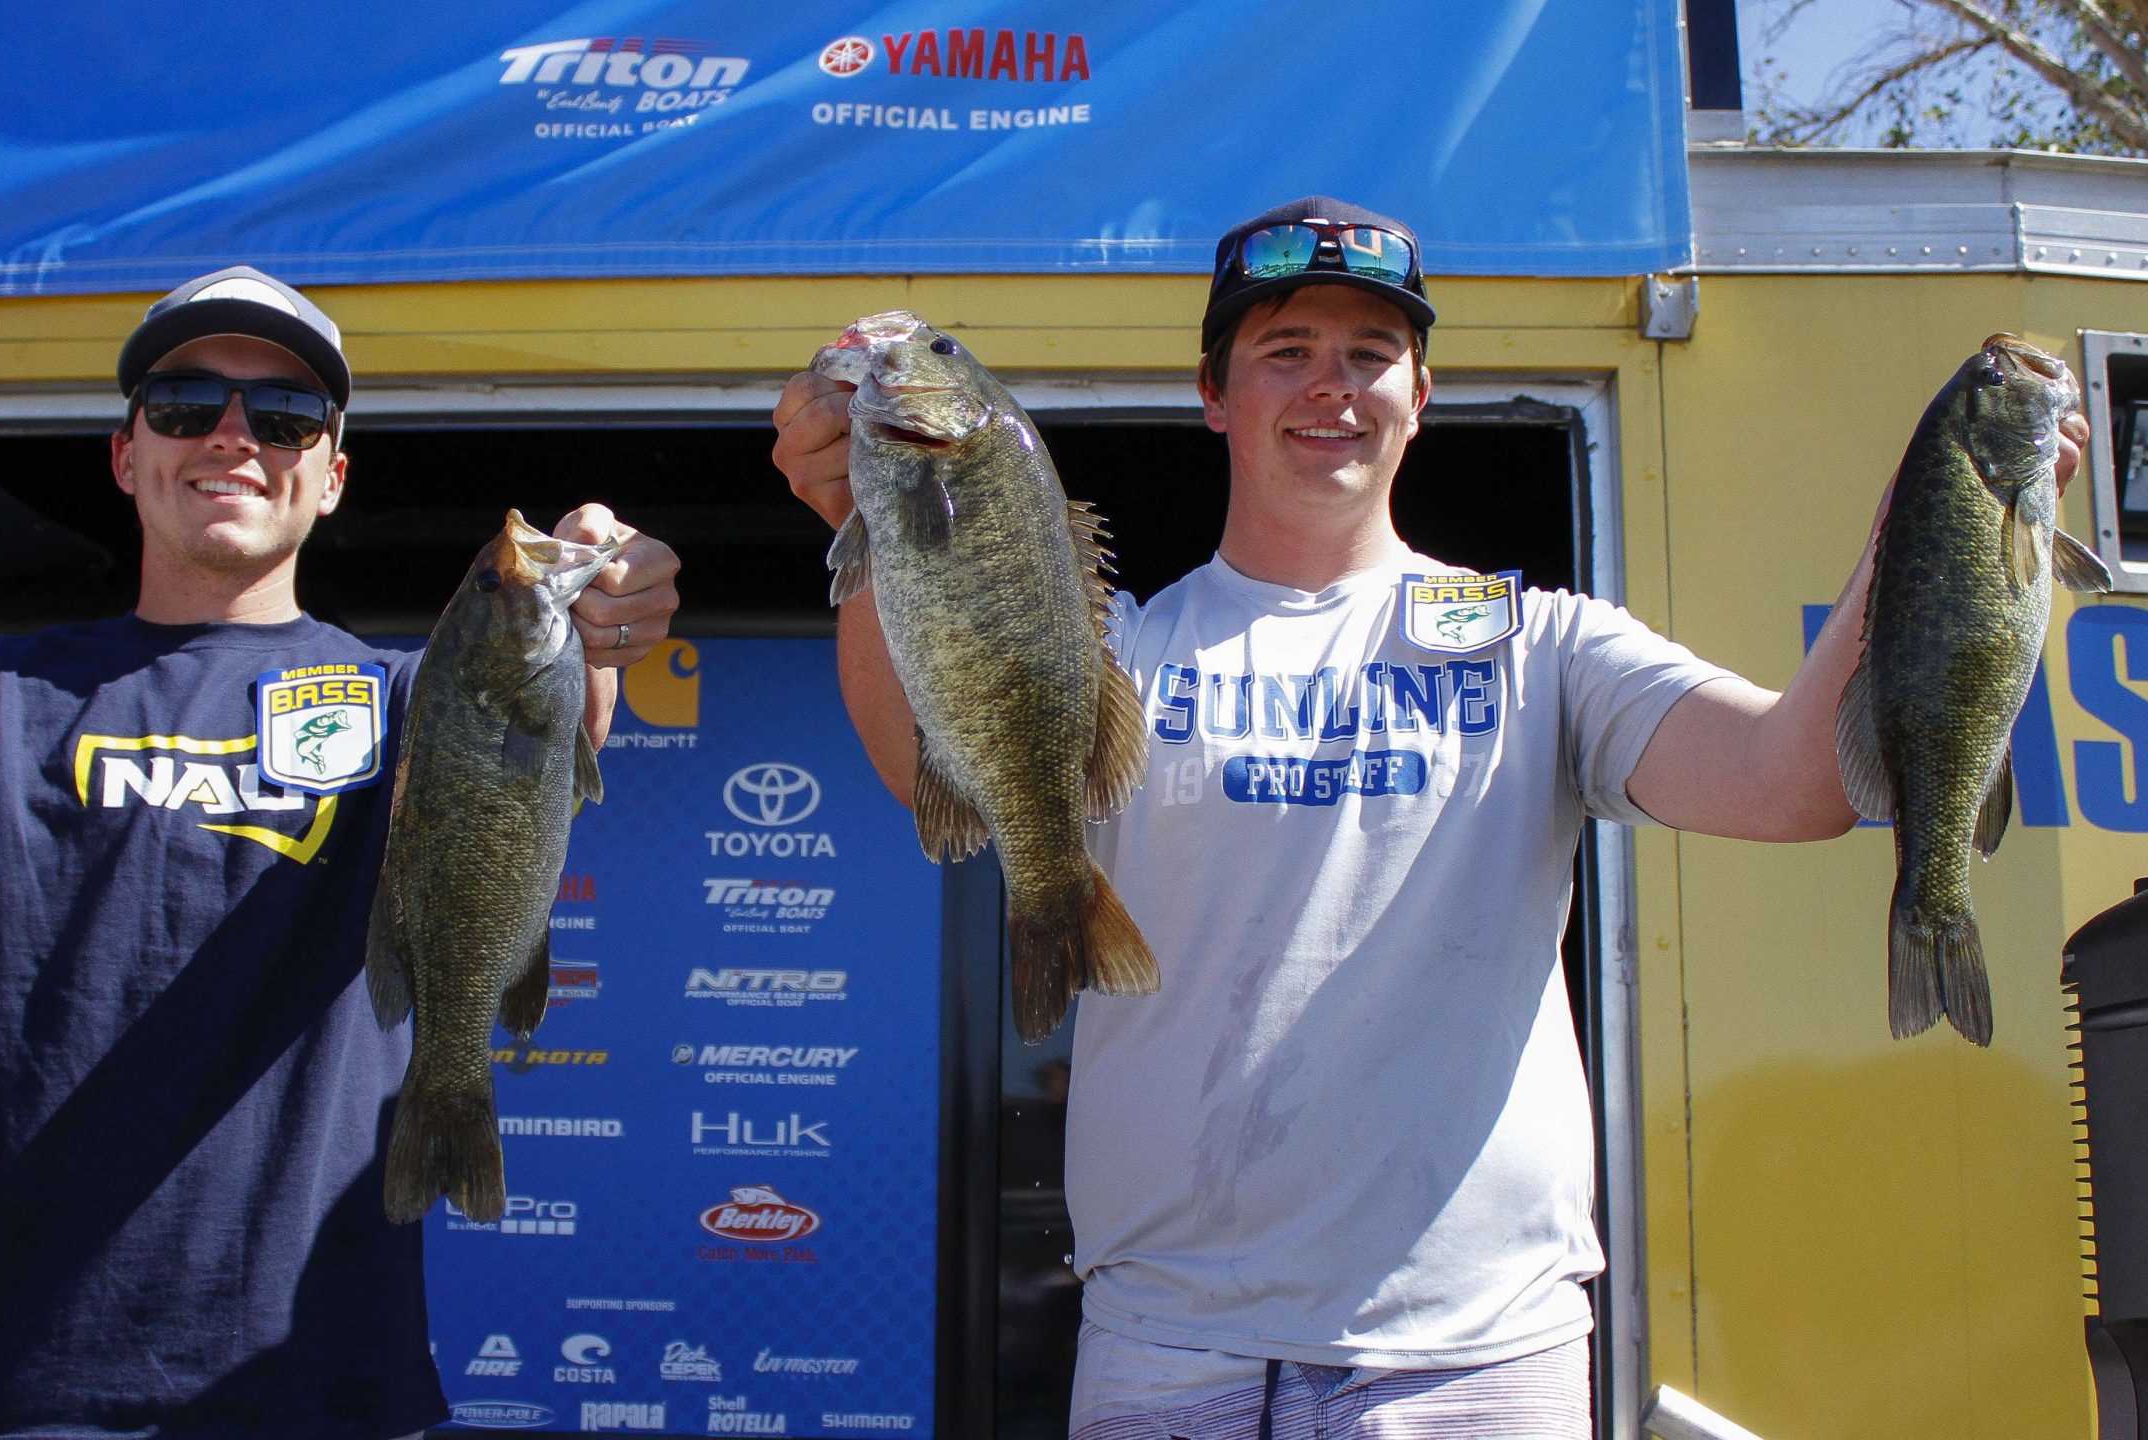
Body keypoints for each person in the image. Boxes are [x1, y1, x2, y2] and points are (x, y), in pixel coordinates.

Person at [771, 198, 2087, 1438]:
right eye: (1285, 352)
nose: (1332, 386)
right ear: (1214, 396)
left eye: (1372, 354)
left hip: (1480, 1350)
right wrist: (872, 516)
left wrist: (1929, 526)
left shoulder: (1543, 644)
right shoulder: (1112, 652)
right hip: (1166, 1337)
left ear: (1423, 395)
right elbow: (916, 758)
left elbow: (1790, 783)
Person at [0, 266, 682, 1440]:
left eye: (284, 416)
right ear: (127, 456)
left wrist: (598, 620)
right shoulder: (7, 689)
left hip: (330, 1380)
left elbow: (535, 742)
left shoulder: (407, 696)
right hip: (33, 1383)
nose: (232, 436)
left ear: (330, 476)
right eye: (184, 405)